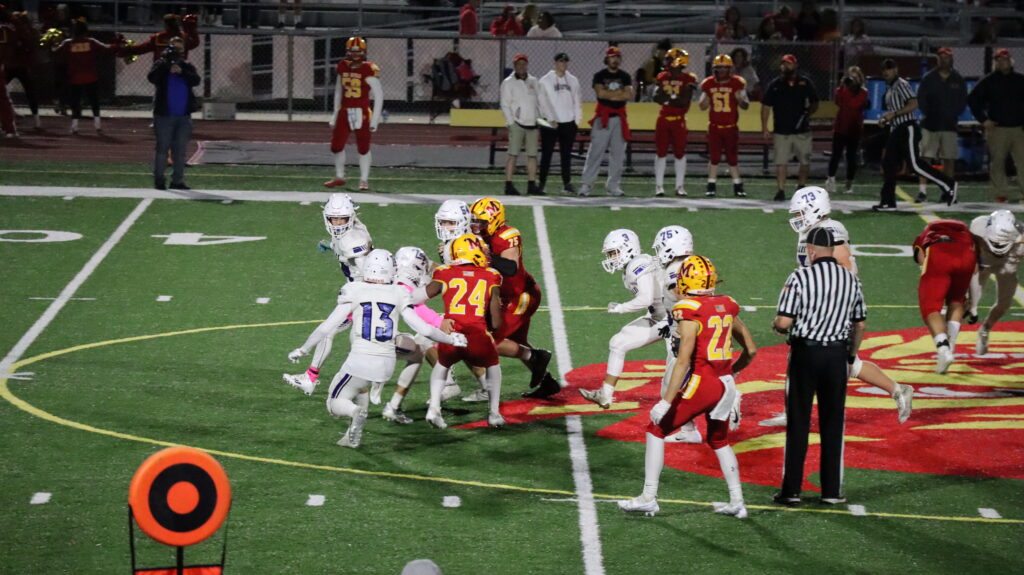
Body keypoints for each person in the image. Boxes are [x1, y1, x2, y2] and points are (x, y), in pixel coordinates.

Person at [618, 254, 756, 518]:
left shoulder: (689, 309)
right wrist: (732, 372)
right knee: (719, 440)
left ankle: (648, 497)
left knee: (656, 430)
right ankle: (737, 501)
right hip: (726, 384)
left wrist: (665, 401)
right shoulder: (726, 305)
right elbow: (750, 350)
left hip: (703, 383)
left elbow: (682, 361)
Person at [762, 186, 913, 427]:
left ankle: (897, 390)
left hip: (832, 303)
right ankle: (897, 390)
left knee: (837, 361)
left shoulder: (830, 230)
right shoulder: (813, 230)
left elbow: (845, 268)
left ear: (814, 209)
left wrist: (822, 299)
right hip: (818, 301)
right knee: (815, 359)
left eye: (801, 212)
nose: (798, 217)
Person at [287, 249, 468, 448]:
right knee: (361, 386)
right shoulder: (399, 292)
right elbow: (425, 329)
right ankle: (353, 435)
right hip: (386, 364)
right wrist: (452, 340)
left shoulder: (354, 289)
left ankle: (354, 412)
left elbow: (326, 328)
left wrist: (303, 350)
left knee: (334, 403)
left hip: (360, 360)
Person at [772, 226, 866, 506]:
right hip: (836, 355)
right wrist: (851, 356)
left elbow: (784, 321)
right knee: (833, 423)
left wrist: (777, 326)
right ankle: (831, 491)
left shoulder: (800, 276)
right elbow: (860, 324)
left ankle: (791, 491)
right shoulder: (850, 279)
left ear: (811, 250)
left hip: (806, 354)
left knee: (798, 422)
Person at [469, 197, 560, 398]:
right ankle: (548, 383)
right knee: (517, 341)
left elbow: (510, 267)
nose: (476, 226)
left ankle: (535, 357)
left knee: (488, 341)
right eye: (474, 221)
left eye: (481, 222)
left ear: (495, 220)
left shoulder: (507, 235)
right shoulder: (478, 236)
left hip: (520, 297)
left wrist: (486, 255)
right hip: (504, 297)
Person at [283, 194, 374, 394]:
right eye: (334, 219)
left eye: (342, 219)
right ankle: (312, 377)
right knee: (353, 340)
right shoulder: (352, 230)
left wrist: (303, 349)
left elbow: (367, 269)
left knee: (335, 333)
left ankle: (315, 378)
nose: (338, 223)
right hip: (358, 291)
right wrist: (331, 245)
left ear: (350, 217)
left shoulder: (352, 240)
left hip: (360, 294)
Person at [422, 234, 506, 429]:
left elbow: (422, 296)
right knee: (493, 364)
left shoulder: (444, 272)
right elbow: (495, 322)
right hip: (477, 336)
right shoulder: (491, 275)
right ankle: (494, 413)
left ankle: (434, 408)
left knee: (442, 364)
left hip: (451, 333)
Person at [579, 229, 668, 410]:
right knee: (618, 343)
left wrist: (621, 308)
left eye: (614, 253)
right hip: (658, 317)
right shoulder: (633, 265)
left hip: (673, 320)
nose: (611, 258)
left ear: (628, 248)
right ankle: (605, 395)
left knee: (682, 370)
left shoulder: (637, 265)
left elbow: (645, 299)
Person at [874, 59, 957, 211]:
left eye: (889, 68)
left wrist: (894, 114)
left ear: (896, 69)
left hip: (907, 128)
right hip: (897, 129)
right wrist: (887, 119)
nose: (886, 72)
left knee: (915, 165)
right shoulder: (890, 87)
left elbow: (914, 104)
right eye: (884, 69)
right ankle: (888, 201)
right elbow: (896, 111)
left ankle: (949, 184)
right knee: (888, 164)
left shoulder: (901, 84)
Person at [912, 219, 976, 374]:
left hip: (939, 253)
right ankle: (951, 344)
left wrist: (927, 272)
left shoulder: (927, 233)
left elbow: (920, 256)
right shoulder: (967, 235)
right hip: (967, 256)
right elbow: (976, 266)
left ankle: (943, 350)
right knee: (956, 301)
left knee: (930, 307)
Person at [324, 37, 383, 192]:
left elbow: (379, 95)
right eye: (353, 51)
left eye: (358, 51)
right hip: (344, 110)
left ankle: (364, 179)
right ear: (347, 51)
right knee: (336, 146)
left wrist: (375, 119)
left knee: (363, 148)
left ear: (364, 52)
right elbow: (338, 91)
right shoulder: (342, 66)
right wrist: (335, 114)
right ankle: (339, 176)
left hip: (361, 111)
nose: (355, 54)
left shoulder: (369, 68)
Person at [968, 48, 1024, 201]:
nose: (1003, 62)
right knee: (997, 163)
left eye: (1005, 60)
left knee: (1022, 162)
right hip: (997, 129)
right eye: (999, 60)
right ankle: (1001, 194)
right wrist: (983, 120)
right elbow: (972, 99)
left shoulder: (1020, 80)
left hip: (1019, 129)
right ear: (996, 63)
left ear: (1010, 61)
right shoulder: (988, 81)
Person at [761, 54, 818, 202]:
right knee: (781, 161)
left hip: (802, 129)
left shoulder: (805, 82)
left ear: (795, 65)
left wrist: (808, 114)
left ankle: (801, 187)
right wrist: (765, 127)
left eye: (789, 64)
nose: (786, 66)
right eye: (784, 64)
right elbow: (766, 106)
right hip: (781, 129)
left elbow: (814, 101)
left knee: (804, 160)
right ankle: (781, 190)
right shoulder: (775, 84)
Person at [578, 46, 633, 197]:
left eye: (617, 57)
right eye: (612, 57)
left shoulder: (625, 76)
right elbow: (600, 93)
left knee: (618, 154)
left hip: (619, 118)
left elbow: (628, 94)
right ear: (607, 59)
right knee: (595, 153)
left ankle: (613, 185)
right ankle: (587, 184)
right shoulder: (599, 75)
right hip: (603, 118)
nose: (615, 60)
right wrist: (618, 94)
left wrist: (611, 94)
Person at [968, 210, 1024, 355]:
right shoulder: (978, 227)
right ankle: (950, 337)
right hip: (984, 261)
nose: (998, 247)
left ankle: (985, 329)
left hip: (1007, 264)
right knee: (969, 301)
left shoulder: (1020, 241)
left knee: (1004, 304)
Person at [916, 47, 968, 202]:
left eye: (947, 57)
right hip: (930, 125)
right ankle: (922, 192)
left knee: (949, 159)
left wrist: (952, 115)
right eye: (942, 57)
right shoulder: (929, 78)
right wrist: (930, 114)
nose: (944, 60)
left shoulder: (958, 79)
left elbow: (962, 101)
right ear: (937, 59)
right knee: (925, 158)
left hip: (949, 125)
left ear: (951, 59)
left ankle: (948, 191)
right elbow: (921, 99)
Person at [147, 36, 198, 191]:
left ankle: (177, 180)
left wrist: (181, 72)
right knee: (162, 148)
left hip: (183, 115)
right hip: (164, 114)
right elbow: (152, 78)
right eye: (174, 48)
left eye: (180, 49)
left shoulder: (187, 66)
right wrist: (166, 65)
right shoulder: (160, 64)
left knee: (180, 150)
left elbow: (196, 80)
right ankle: (159, 180)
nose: (177, 52)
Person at [52, 19, 117, 135]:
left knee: (75, 102)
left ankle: (75, 126)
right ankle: (97, 125)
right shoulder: (91, 42)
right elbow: (106, 48)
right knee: (94, 101)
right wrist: (118, 44)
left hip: (75, 78)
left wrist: (52, 42)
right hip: (91, 76)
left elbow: (55, 51)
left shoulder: (68, 43)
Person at [699, 53, 749, 198]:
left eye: (724, 67)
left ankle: (738, 185)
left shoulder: (737, 83)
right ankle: (711, 185)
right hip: (715, 126)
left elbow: (746, 105)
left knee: (732, 158)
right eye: (718, 67)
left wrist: (739, 99)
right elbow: (702, 106)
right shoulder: (708, 83)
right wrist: (707, 98)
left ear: (730, 69)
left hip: (730, 127)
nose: (721, 70)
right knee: (714, 157)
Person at [652, 52, 697, 197]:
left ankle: (679, 186)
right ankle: (659, 186)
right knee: (661, 152)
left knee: (680, 153)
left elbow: (683, 101)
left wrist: (667, 99)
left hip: (678, 120)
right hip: (664, 119)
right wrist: (673, 98)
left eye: (669, 59)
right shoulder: (662, 76)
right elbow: (656, 97)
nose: (666, 62)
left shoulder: (688, 78)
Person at [537, 52, 581, 195]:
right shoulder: (545, 80)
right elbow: (542, 102)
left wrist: (576, 120)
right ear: (555, 63)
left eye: (565, 61)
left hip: (568, 122)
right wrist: (550, 118)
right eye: (560, 61)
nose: (563, 64)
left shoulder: (573, 80)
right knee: (547, 154)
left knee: (566, 155)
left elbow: (577, 101)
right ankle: (541, 183)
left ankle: (567, 183)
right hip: (551, 123)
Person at [499, 53, 541, 196]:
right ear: (515, 66)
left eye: (524, 64)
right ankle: (508, 184)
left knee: (532, 155)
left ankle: (531, 184)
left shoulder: (534, 81)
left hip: (532, 124)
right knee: (513, 154)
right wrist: (511, 122)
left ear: (527, 65)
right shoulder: (508, 82)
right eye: (519, 64)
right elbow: (505, 104)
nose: (521, 67)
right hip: (517, 124)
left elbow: (539, 101)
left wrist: (539, 118)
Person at [825, 66, 868, 195]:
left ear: (860, 78)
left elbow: (854, 104)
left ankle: (849, 183)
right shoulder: (841, 90)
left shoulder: (863, 92)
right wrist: (844, 87)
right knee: (836, 155)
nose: (853, 79)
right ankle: (830, 180)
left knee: (851, 157)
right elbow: (838, 102)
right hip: (840, 127)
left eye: (856, 77)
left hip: (854, 128)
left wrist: (847, 90)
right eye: (851, 77)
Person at [3, 11, 40, 130]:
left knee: (29, 92)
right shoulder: (16, 30)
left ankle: (36, 120)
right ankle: (35, 120)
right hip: (15, 65)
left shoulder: (19, 30)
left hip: (15, 65)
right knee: (29, 92)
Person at [121, 13, 199, 63]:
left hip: (161, 71)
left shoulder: (158, 37)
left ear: (165, 25)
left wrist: (125, 48)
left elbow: (141, 49)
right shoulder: (184, 37)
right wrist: (191, 28)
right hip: (179, 70)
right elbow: (195, 43)